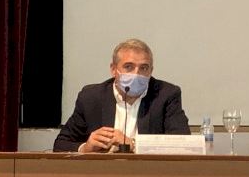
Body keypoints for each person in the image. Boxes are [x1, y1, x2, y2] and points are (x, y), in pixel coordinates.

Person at [54, 38, 190, 152]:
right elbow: (61, 144)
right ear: (113, 69)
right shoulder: (91, 97)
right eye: (128, 67)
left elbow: (183, 143)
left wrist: (133, 144)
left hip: (149, 171)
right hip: (103, 171)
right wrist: (86, 147)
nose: (136, 74)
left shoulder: (166, 95)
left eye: (143, 68)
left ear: (151, 71)